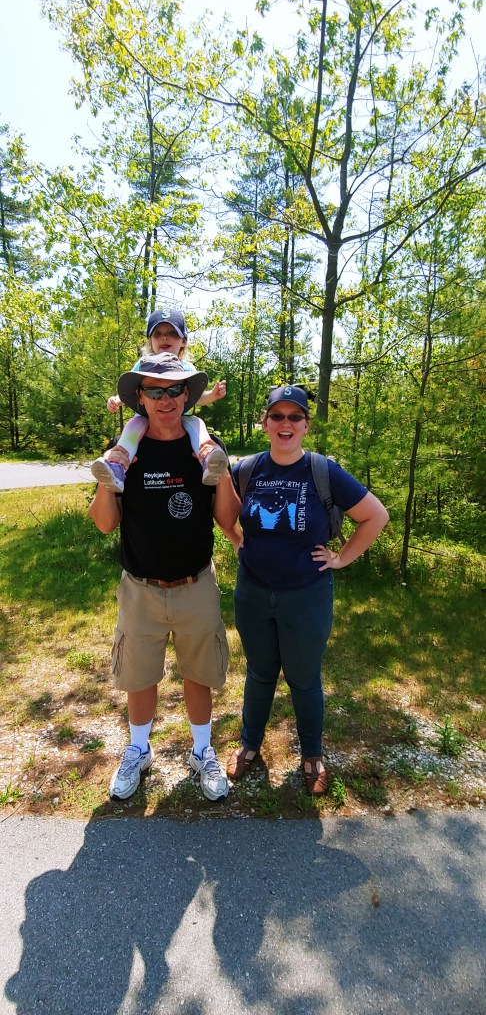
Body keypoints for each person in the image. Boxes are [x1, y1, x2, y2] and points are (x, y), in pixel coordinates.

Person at [88, 352, 241, 802]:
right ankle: (138, 750)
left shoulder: (204, 447)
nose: (166, 398)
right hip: (141, 588)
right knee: (139, 677)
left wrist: (220, 473)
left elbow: (227, 517)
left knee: (199, 674)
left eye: (175, 389)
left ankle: (201, 751)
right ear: (141, 397)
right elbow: (104, 523)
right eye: (155, 391)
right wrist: (108, 483)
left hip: (196, 585)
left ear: (187, 394)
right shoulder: (126, 449)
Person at [226, 385, 389, 795]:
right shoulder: (246, 470)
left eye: (294, 417)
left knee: (303, 678)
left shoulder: (323, 471)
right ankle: (249, 745)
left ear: (305, 426)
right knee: (259, 673)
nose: (286, 423)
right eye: (277, 416)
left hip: (306, 596)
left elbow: (375, 516)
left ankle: (312, 755)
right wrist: (235, 538)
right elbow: (221, 511)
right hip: (253, 593)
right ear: (265, 423)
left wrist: (341, 558)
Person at [91, 309, 228, 491]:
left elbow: (197, 398)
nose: (164, 338)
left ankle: (209, 459)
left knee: (197, 423)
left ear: (183, 341)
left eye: (172, 333)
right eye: (158, 334)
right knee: (132, 427)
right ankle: (117, 466)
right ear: (150, 341)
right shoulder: (143, 365)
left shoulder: (186, 368)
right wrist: (117, 399)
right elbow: (131, 391)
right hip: (146, 416)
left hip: (181, 416)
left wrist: (213, 395)